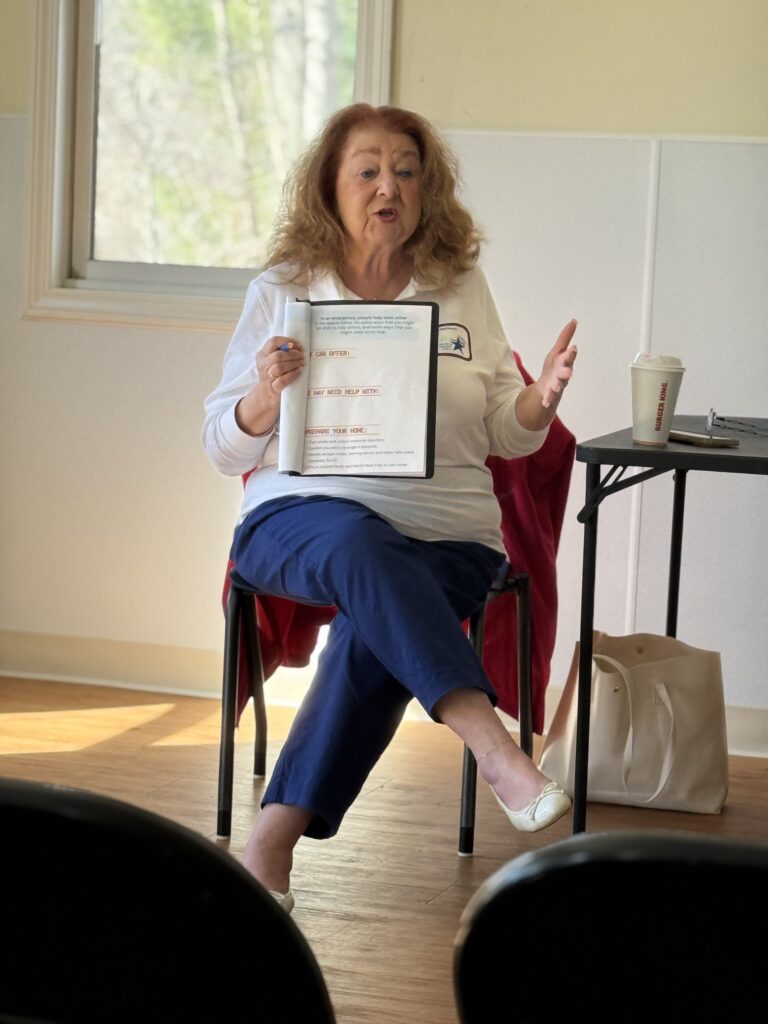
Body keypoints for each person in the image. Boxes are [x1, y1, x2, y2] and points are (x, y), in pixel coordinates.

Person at [203, 103, 578, 913]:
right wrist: (264, 399)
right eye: (367, 170)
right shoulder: (283, 289)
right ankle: (493, 747)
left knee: (380, 614)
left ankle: (267, 851)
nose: (387, 187)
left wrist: (538, 405)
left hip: (447, 537)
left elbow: (505, 434)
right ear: (329, 190)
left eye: (406, 171)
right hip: (299, 520)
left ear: (427, 190)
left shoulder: (460, 287)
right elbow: (221, 445)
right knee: (359, 543)